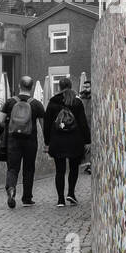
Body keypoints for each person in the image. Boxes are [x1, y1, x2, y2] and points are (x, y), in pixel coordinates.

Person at [44, 76, 90, 206]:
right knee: (74, 168)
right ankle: (71, 193)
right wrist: (87, 140)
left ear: (59, 87)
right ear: (70, 86)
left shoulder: (52, 103)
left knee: (60, 170)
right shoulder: (77, 102)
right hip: (75, 141)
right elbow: (83, 123)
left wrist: (47, 142)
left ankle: (60, 200)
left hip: (57, 141)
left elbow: (47, 125)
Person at [0, 74, 45, 208]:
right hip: (30, 141)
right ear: (31, 87)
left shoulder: (9, 102)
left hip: (13, 141)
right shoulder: (37, 104)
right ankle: (27, 198)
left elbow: (0, 122)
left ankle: (11, 188)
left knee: (12, 168)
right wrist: (47, 143)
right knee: (29, 169)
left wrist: (2, 136)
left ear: (19, 86)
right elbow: (44, 126)